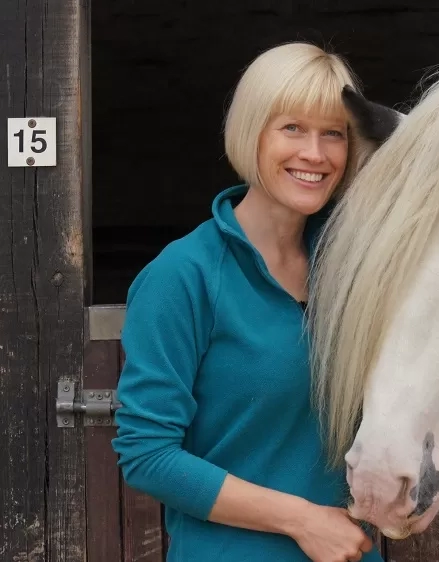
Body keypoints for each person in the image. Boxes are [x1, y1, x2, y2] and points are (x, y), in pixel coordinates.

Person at [112, 42, 382, 562]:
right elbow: (146, 454)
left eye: (334, 133)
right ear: (250, 133)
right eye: (292, 128)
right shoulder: (183, 275)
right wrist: (302, 520)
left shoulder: (353, 266)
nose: (315, 154)